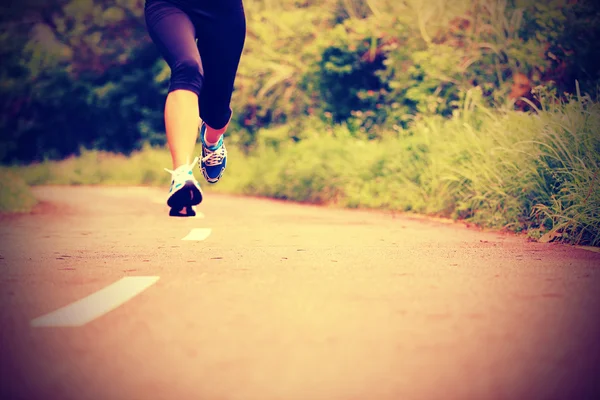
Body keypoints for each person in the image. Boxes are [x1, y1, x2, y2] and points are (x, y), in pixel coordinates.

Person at [144, 0, 246, 215]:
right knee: (187, 68)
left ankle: (212, 140)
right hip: (169, 5)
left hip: (223, 11)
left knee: (216, 111)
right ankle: (181, 175)